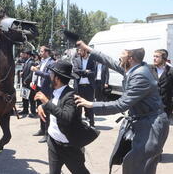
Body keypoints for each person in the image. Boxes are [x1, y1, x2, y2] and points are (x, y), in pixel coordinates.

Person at [74, 40, 169, 174]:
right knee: (134, 165)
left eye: (122, 54)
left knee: (140, 167)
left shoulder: (140, 75)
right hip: (143, 122)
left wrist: (91, 104)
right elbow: (110, 62)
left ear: (130, 58)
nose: (119, 56)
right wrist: (87, 48)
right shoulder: (135, 68)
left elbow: (121, 104)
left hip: (151, 126)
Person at [34, 59, 90, 174]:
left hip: (69, 146)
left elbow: (66, 117)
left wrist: (46, 102)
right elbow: (55, 105)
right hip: (53, 144)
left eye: (51, 74)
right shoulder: (55, 91)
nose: (49, 76)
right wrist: (42, 107)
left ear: (57, 78)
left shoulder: (71, 95)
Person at [30, 46, 55, 143]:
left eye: (41, 51)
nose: (39, 53)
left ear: (46, 52)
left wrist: (37, 71)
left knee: (46, 112)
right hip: (39, 88)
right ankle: (41, 129)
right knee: (39, 109)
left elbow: (49, 76)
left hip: (47, 90)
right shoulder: (42, 61)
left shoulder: (51, 63)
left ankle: (47, 133)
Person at [73, 48, 96, 127]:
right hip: (79, 87)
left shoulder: (92, 60)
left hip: (89, 87)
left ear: (86, 51)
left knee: (90, 106)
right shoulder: (76, 60)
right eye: (78, 51)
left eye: (81, 50)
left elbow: (93, 73)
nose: (79, 52)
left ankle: (92, 124)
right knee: (78, 106)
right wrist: (85, 72)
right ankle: (79, 124)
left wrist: (82, 73)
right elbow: (75, 70)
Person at [149, 49, 173, 119]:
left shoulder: (171, 72)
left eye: (157, 57)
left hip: (165, 108)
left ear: (164, 59)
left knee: (163, 128)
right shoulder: (149, 69)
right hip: (150, 107)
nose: (154, 58)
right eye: (154, 56)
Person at [19, 50, 36, 116]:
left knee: (31, 98)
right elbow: (26, 71)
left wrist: (26, 80)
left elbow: (31, 73)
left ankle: (33, 112)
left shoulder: (31, 62)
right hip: (25, 83)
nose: (23, 55)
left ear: (28, 55)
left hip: (29, 83)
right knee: (24, 97)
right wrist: (22, 73)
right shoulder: (27, 61)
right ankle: (25, 110)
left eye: (24, 54)